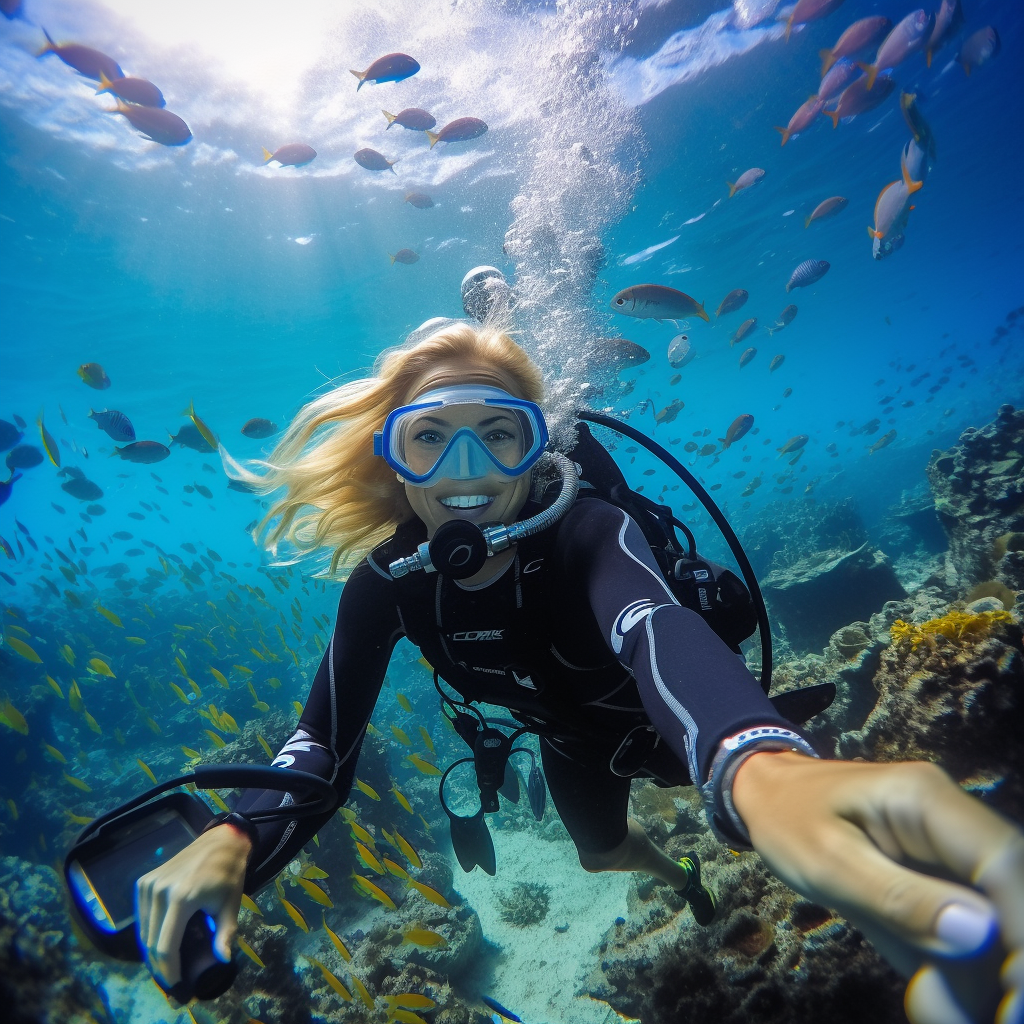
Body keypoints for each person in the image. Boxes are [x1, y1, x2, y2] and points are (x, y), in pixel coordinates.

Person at [136, 318, 1024, 1024]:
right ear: (390, 459)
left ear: (538, 450)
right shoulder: (386, 587)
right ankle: (680, 879)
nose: (468, 472)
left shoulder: (590, 531)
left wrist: (762, 763)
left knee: (748, 798)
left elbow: (650, 624)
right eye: (429, 440)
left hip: (675, 721)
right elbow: (317, 742)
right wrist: (235, 837)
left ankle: (765, 766)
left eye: (499, 435)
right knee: (601, 859)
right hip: (574, 740)